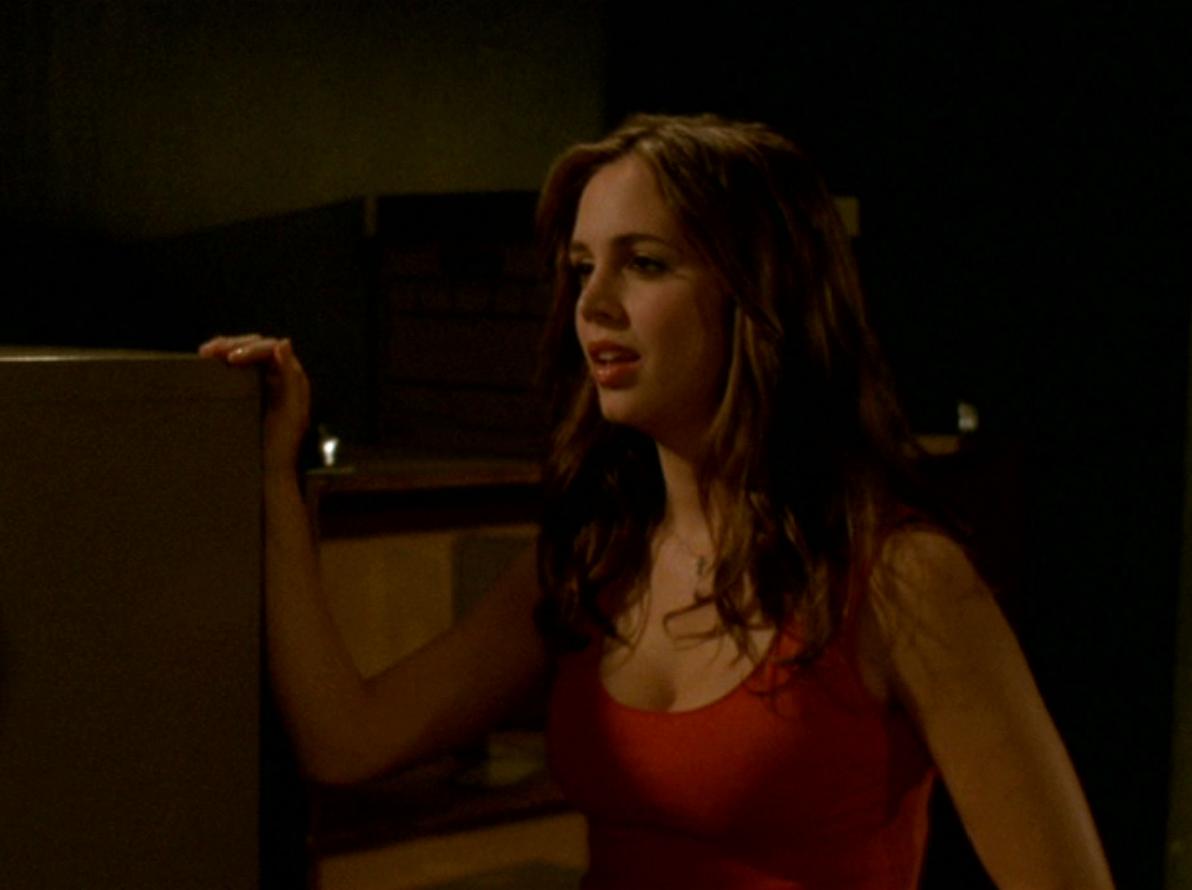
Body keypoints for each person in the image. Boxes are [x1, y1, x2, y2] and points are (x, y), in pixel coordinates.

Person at [200, 114, 1114, 889]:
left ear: (759, 292)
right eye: (580, 267)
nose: (592, 304)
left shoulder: (900, 580)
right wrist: (275, 477)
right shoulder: (593, 560)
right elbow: (349, 739)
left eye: (643, 263)